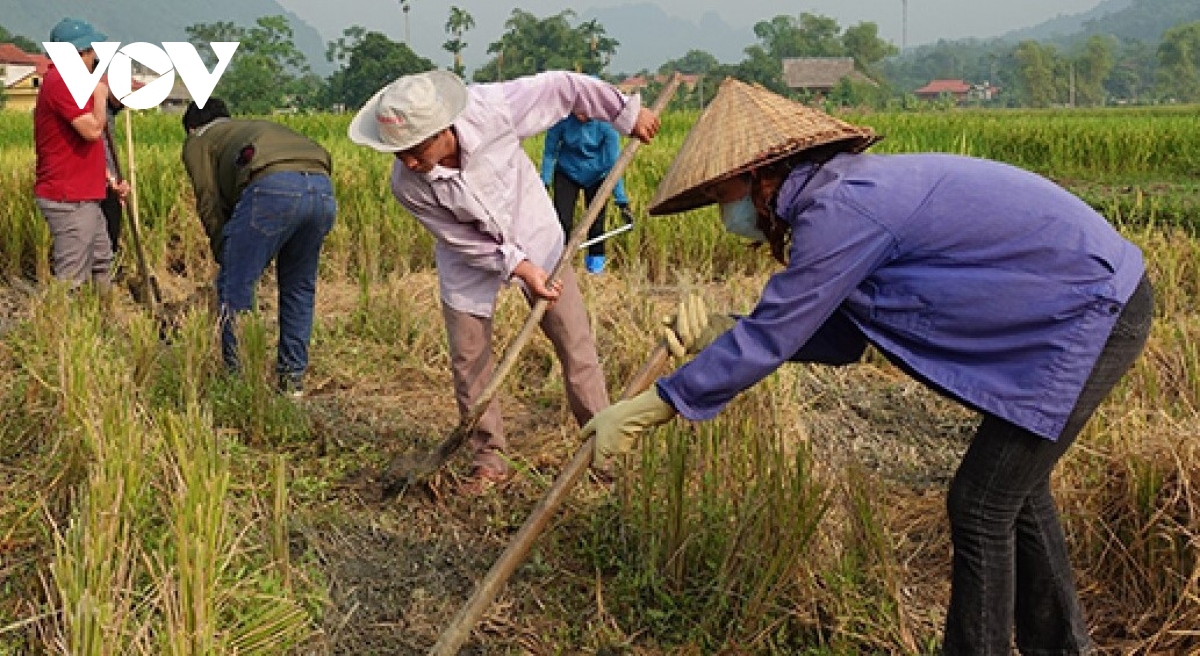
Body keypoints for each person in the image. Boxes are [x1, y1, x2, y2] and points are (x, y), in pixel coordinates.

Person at [582, 77, 1152, 655]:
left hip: (1091, 308)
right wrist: (728, 330)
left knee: (981, 503)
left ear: (760, 173)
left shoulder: (841, 208)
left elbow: (776, 334)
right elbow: (838, 333)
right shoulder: (840, 192)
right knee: (1014, 492)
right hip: (1074, 306)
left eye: (722, 189)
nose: (722, 208)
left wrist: (654, 405)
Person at [348, 69, 660, 490]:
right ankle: (489, 458)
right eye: (396, 152)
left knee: (574, 342)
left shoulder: (490, 109)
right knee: (469, 358)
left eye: (415, 148)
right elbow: (459, 238)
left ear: (443, 129)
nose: (407, 161)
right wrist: (516, 266)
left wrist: (625, 115)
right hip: (470, 260)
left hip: (537, 234)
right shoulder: (408, 185)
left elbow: (563, 88)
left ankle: (602, 449)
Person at [181, 98, 337, 397]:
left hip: (271, 187)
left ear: (191, 127)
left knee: (235, 285)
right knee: (299, 287)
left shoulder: (198, 140)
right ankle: (292, 382)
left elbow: (208, 199)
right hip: (322, 188)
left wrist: (224, 253)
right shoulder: (249, 129)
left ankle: (240, 381)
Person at [33, 17, 116, 290]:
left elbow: (83, 145)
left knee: (102, 261)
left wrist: (109, 177)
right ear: (80, 54)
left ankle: (105, 323)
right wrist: (101, 97)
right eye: (92, 52)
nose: (94, 60)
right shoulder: (61, 81)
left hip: (85, 194)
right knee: (72, 278)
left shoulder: (70, 82)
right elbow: (92, 131)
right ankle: (63, 330)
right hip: (69, 197)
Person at [540, 111, 635, 274]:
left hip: (598, 175)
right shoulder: (561, 121)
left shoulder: (607, 125)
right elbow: (550, 153)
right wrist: (544, 183)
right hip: (567, 172)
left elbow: (615, 164)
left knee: (596, 223)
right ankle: (559, 268)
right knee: (562, 221)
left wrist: (622, 201)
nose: (583, 114)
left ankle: (595, 269)